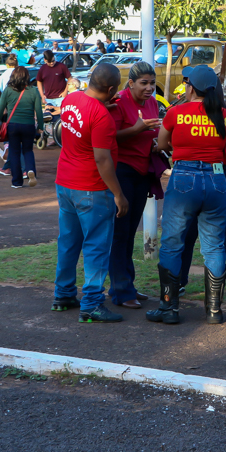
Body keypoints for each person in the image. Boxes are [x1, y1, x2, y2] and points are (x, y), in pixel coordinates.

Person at [147, 65, 226, 325]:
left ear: (191, 87)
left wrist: (181, 146)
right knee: (214, 246)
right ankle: (214, 311)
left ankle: (168, 307)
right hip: (217, 180)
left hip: (184, 178)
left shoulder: (176, 113)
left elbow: (161, 144)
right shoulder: (224, 116)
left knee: (173, 243)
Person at [52, 62, 128, 323]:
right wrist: (118, 194)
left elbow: (81, 125)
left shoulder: (71, 99)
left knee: (69, 241)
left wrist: (100, 106)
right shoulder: (102, 117)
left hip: (65, 183)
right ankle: (92, 304)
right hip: (91, 189)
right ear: (110, 89)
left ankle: (63, 294)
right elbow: (102, 160)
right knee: (96, 246)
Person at [108, 61, 162, 309]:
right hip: (122, 172)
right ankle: (121, 290)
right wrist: (137, 129)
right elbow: (109, 136)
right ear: (130, 84)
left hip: (143, 171)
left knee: (130, 232)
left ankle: (125, 284)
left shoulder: (152, 101)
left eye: (152, 82)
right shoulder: (119, 102)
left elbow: (150, 131)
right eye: (144, 83)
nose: (149, 88)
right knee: (120, 232)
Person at [0, 66, 43, 189]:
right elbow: (39, 110)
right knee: (28, 150)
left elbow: (0, 108)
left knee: (15, 152)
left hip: (13, 126)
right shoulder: (33, 91)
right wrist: (41, 126)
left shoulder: (8, 90)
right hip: (29, 125)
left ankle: (17, 182)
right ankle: (30, 170)